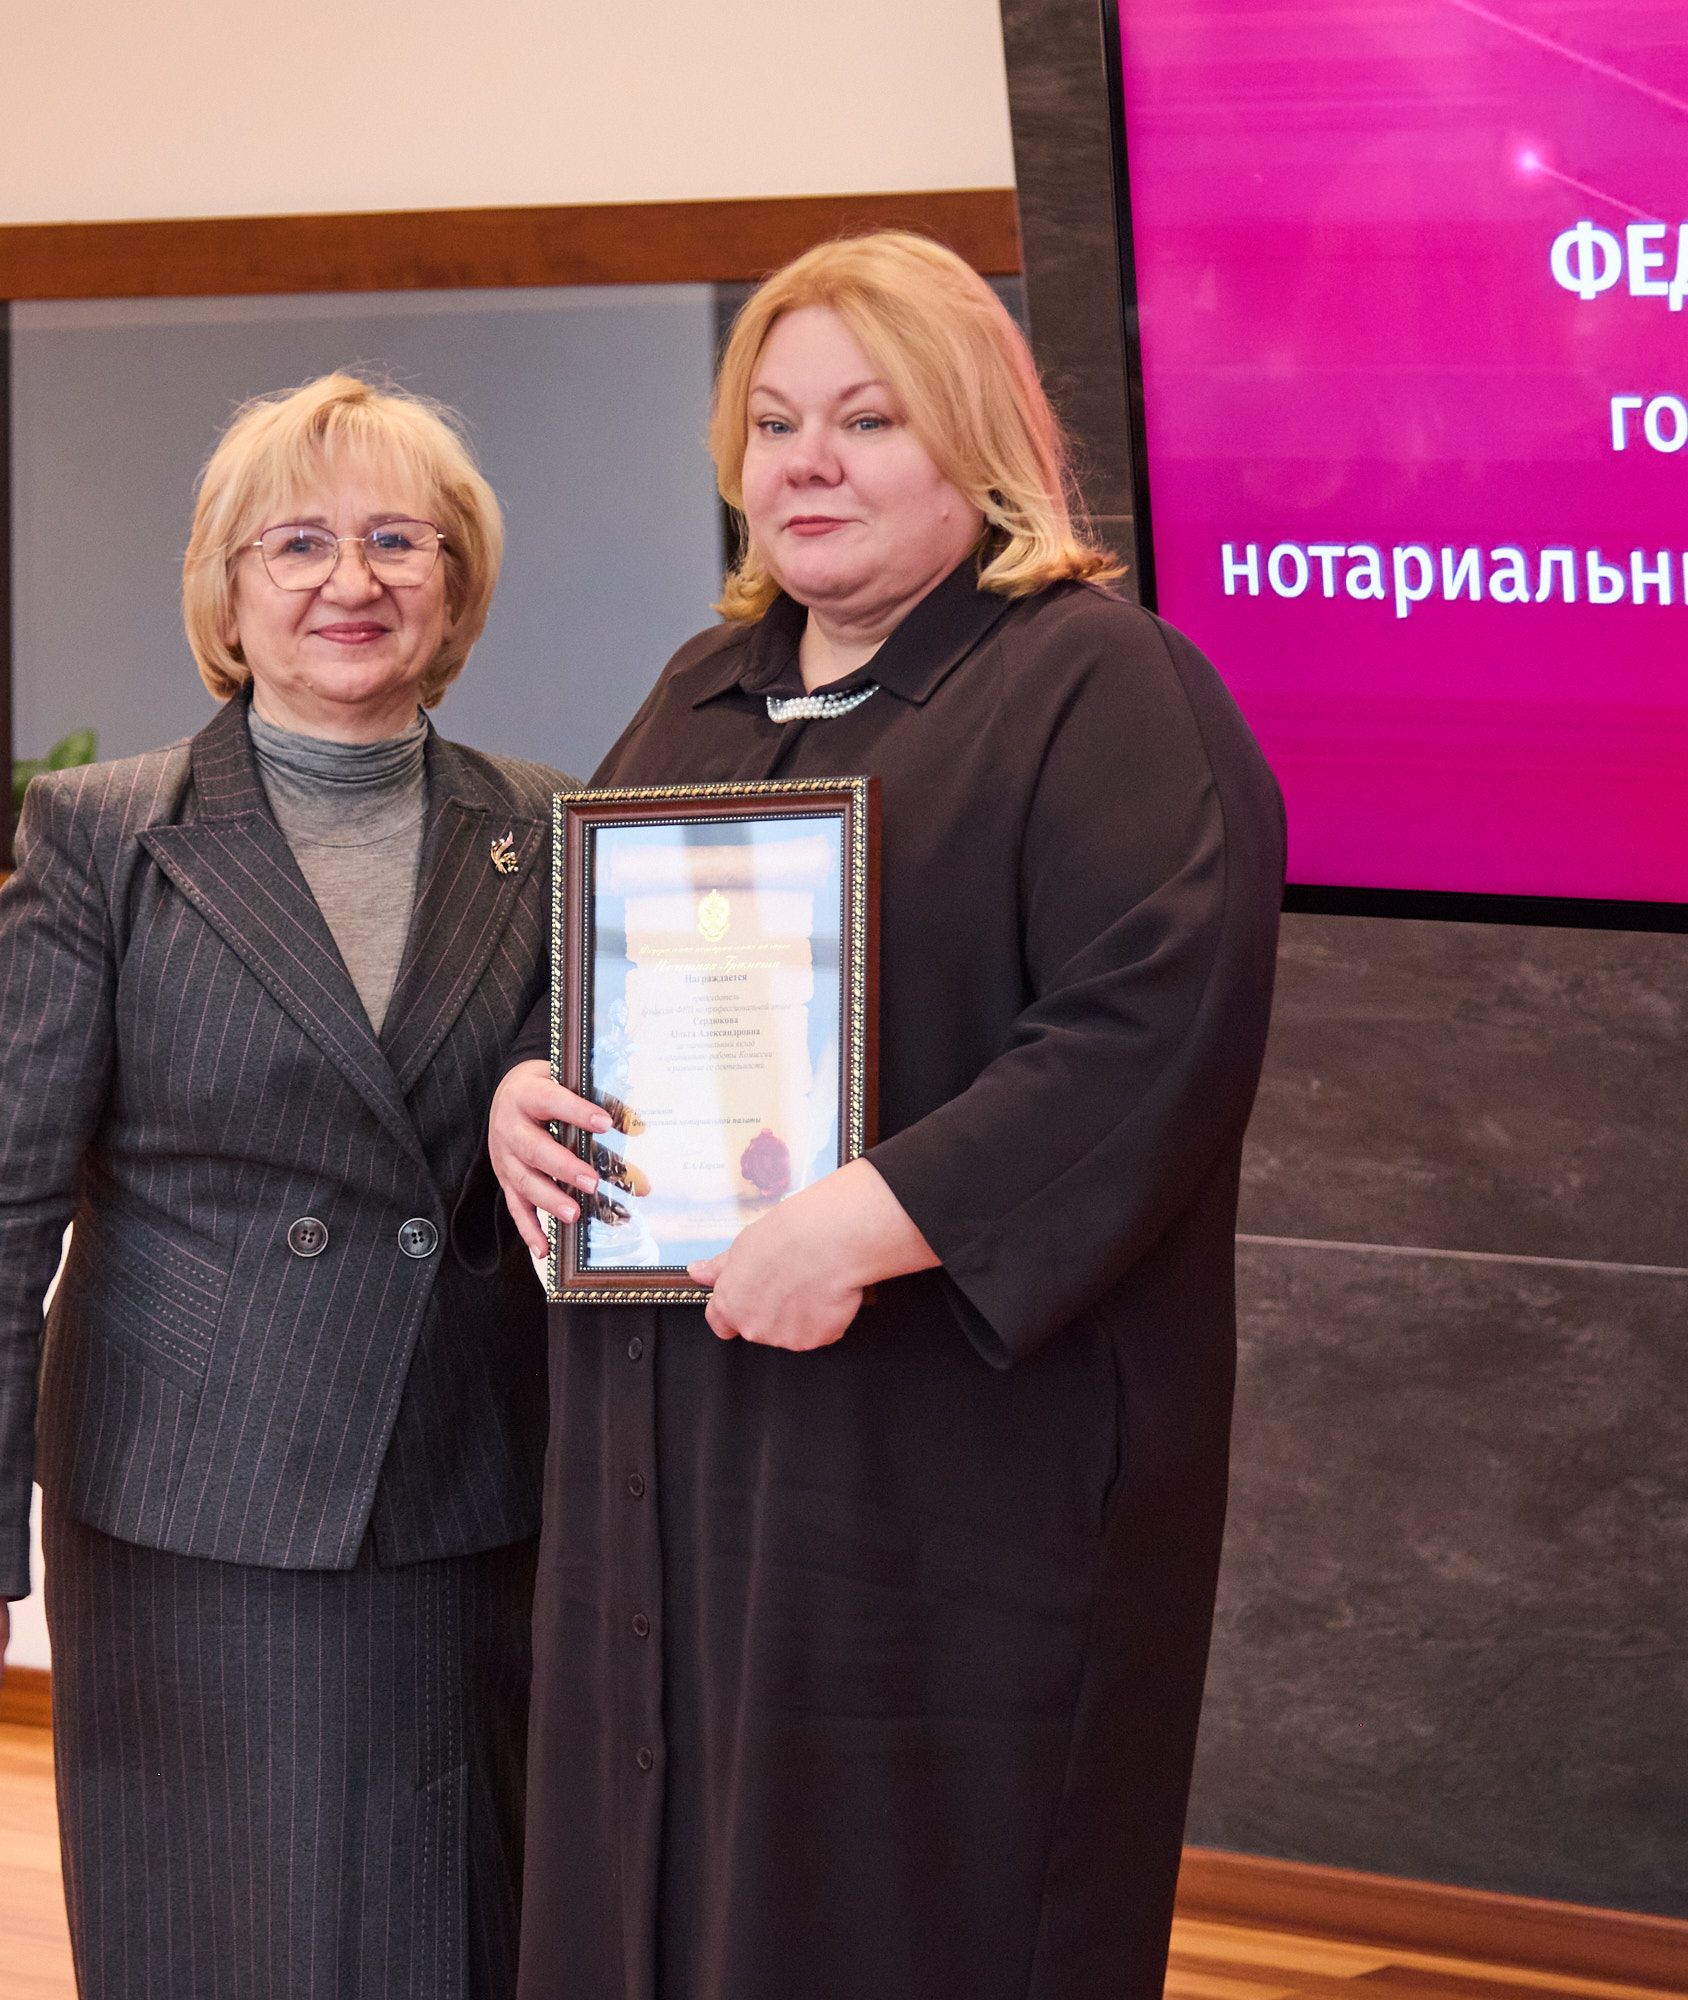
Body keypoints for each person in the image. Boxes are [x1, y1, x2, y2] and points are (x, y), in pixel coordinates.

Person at [486, 233, 1286, 1999]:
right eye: (774, 424)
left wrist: (862, 1224)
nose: (808, 464)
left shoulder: (1103, 686)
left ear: (977, 442)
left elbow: (1140, 1034)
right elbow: (601, 989)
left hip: (950, 1485)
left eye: (867, 420)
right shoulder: (699, 694)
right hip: (680, 1449)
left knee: (898, 1910)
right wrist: (526, 1094)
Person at [0, 373, 569, 2000]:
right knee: (208, 1937)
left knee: (447, 1938)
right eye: (300, 544)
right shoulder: (105, 836)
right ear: (229, 588)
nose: (353, 581)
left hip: (464, 1489)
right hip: (190, 1502)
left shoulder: (552, 830)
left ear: (455, 579)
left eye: (398, 540)